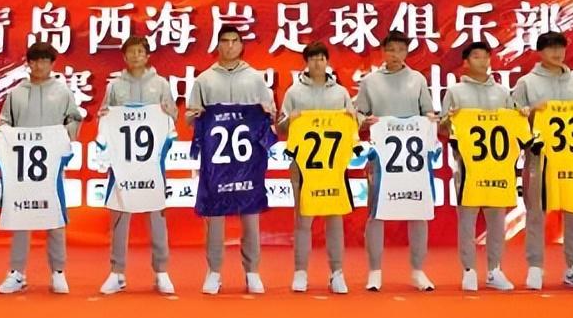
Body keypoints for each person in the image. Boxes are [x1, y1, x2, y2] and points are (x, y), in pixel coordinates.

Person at [187, 24, 275, 294]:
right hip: (216, 163)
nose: (229, 45)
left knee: (250, 217)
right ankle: (214, 272)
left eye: (234, 40)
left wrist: (267, 113)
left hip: (248, 163)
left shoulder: (256, 78)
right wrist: (196, 115)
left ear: (241, 44)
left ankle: (252, 272)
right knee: (215, 217)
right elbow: (190, 117)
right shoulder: (204, 80)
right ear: (218, 44)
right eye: (224, 41)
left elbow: (270, 114)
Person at [510, 32, 573, 290]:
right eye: (551, 49)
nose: (557, 53)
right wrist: (529, 112)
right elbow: (513, 117)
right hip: (540, 158)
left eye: (560, 48)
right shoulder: (527, 82)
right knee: (536, 213)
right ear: (540, 52)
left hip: (572, 158)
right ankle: (535, 267)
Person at [0, 42, 82, 294]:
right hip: (21, 168)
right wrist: (5, 139)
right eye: (35, 61)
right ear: (28, 63)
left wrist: (63, 137)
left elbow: (74, 119)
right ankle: (17, 272)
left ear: (52, 64)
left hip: (51, 167)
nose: (39, 66)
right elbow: (4, 123)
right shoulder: (16, 94)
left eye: (45, 61)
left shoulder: (62, 92)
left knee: (55, 217)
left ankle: (58, 272)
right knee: (20, 216)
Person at [354, 30, 436, 292]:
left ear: (407, 52)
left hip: (413, 161)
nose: (395, 55)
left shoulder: (417, 79)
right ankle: (375, 271)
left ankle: (418, 271)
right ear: (383, 51)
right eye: (391, 50)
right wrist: (365, 121)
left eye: (401, 50)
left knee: (418, 212)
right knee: (376, 213)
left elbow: (428, 112)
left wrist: (431, 119)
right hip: (382, 157)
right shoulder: (370, 81)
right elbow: (358, 113)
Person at [97, 36, 177, 295]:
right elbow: (104, 116)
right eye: (131, 52)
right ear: (124, 56)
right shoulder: (114, 86)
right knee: (119, 216)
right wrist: (104, 116)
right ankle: (117, 272)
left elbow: (173, 118)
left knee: (156, 217)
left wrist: (168, 112)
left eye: (140, 52)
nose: (135, 56)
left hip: (152, 164)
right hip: (122, 164)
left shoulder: (161, 84)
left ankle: (161, 272)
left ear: (147, 55)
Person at [278, 41, 354, 294]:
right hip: (303, 168)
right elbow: (280, 127)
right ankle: (300, 272)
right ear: (306, 62)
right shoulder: (294, 92)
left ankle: (337, 272)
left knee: (335, 219)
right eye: (312, 59)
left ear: (327, 61)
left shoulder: (340, 93)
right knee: (303, 219)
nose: (317, 63)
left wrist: (351, 118)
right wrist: (290, 120)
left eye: (321, 58)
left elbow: (353, 126)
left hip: (333, 168)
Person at [440, 41, 514, 291]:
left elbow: (513, 124)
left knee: (497, 222)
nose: (482, 61)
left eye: (485, 57)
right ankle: (469, 270)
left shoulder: (502, 92)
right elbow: (443, 128)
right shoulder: (455, 92)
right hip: (467, 168)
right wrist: (449, 121)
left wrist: (522, 115)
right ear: (466, 62)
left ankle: (495, 270)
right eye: (476, 57)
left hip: (497, 166)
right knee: (467, 220)